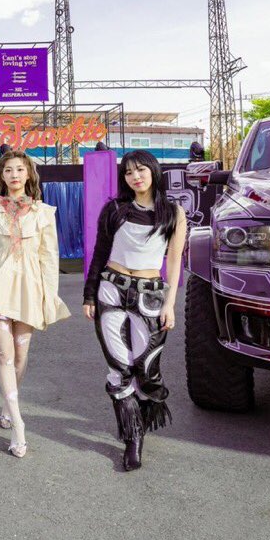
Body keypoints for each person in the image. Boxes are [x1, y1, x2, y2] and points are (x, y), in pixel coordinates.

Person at [0, 150, 70, 457]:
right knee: (5, 355)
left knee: (21, 355)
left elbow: (50, 257)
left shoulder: (44, 213)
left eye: (20, 169)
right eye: (8, 170)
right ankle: (18, 426)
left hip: (30, 287)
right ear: (2, 176)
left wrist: (50, 295)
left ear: (29, 174)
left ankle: (8, 405)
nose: (14, 175)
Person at [82, 149, 187, 471]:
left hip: (150, 296)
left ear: (153, 171)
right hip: (110, 291)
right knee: (119, 368)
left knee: (147, 370)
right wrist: (89, 296)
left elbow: (174, 261)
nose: (135, 177)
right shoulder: (115, 209)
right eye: (128, 172)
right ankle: (133, 437)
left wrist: (170, 304)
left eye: (141, 170)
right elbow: (100, 252)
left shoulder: (173, 213)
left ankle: (144, 411)